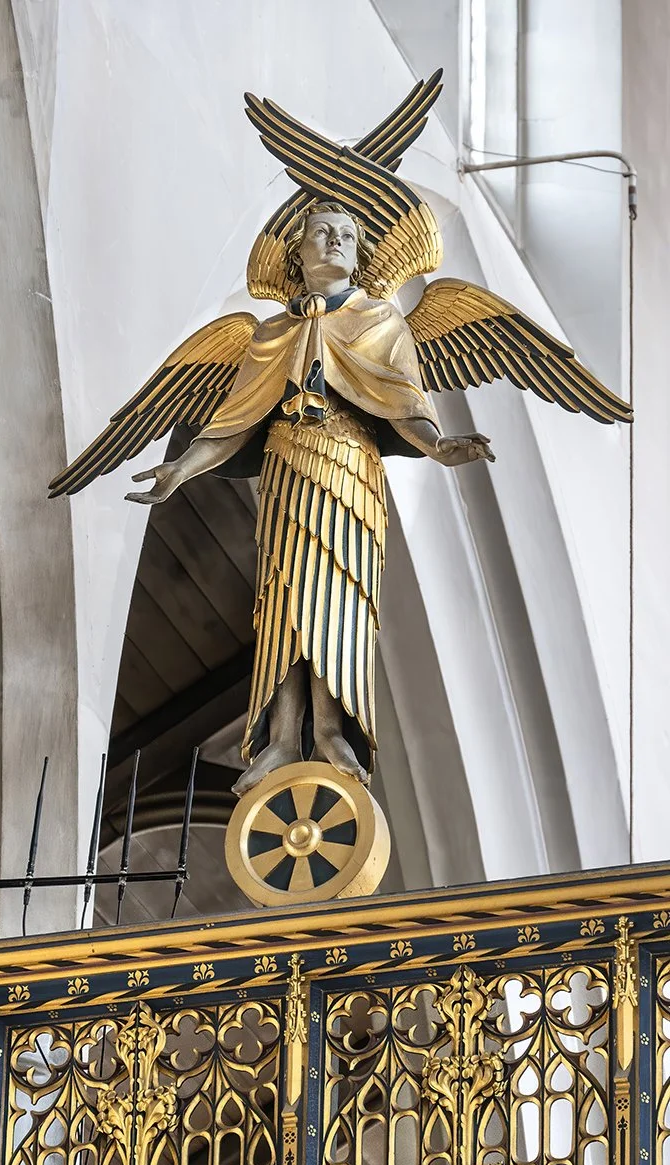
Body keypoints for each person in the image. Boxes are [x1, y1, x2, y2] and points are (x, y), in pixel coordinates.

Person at [125, 203, 494, 795]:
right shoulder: (272, 333)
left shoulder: (381, 321)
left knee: (335, 601)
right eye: (322, 233)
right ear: (298, 253)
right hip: (286, 468)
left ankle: (328, 731)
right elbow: (233, 423)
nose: (335, 242)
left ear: (360, 250)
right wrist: (181, 470)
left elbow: (404, 404)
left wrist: (441, 447)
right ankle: (279, 739)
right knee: (284, 601)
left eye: (347, 235)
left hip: (349, 472)